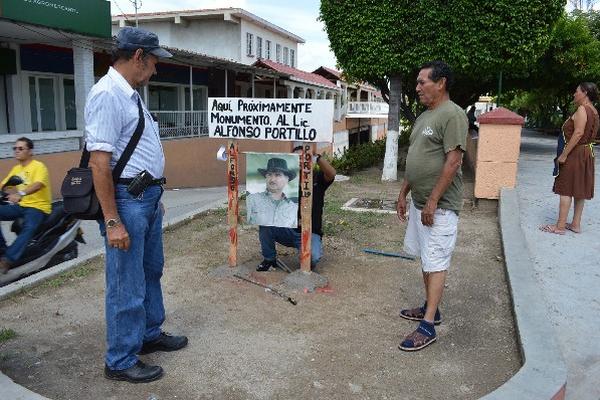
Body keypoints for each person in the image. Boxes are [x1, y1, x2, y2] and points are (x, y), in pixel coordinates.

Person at [85, 26, 187, 384]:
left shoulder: (129, 94)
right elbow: (100, 163)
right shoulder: (107, 94)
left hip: (145, 198)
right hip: (126, 201)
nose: (156, 70)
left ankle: (147, 334)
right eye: (155, 62)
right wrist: (112, 220)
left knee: (150, 271)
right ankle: (120, 358)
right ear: (139, 57)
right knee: (125, 282)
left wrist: (154, 197)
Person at [396, 61, 468, 351]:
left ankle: (427, 326)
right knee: (427, 258)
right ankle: (431, 308)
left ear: (441, 83)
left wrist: (434, 199)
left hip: (440, 207)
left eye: (422, 82)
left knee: (436, 262)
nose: (417, 88)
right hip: (419, 203)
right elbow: (416, 158)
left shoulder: (453, 115)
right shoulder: (425, 116)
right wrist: (403, 193)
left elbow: (453, 161)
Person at [256, 150, 336, 272]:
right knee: (265, 224)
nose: (300, 160)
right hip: (286, 229)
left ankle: (307, 256)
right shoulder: (282, 184)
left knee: (312, 258)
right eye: (297, 157)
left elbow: (331, 174)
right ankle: (269, 259)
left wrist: (317, 157)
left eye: (304, 157)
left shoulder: (316, 178)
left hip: (310, 232)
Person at [540, 82, 599, 235]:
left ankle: (559, 227)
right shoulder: (594, 111)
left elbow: (578, 133)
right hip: (587, 153)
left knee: (565, 188)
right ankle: (575, 224)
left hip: (576, 153)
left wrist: (564, 155)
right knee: (580, 189)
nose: (574, 94)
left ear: (584, 93)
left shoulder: (582, 109)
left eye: (576, 91)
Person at [0, 137, 51, 274]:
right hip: (21, 206)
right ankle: (2, 250)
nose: (17, 151)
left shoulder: (39, 166)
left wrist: (20, 193)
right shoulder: (16, 169)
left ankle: (8, 259)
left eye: (20, 148)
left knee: (29, 227)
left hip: (38, 207)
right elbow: (5, 185)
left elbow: (38, 184)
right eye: (15, 148)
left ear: (30, 151)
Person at [246, 157, 298, 228]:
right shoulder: (252, 200)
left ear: (287, 179)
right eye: (269, 175)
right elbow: (243, 229)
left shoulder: (293, 208)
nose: (272, 179)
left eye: (278, 175)